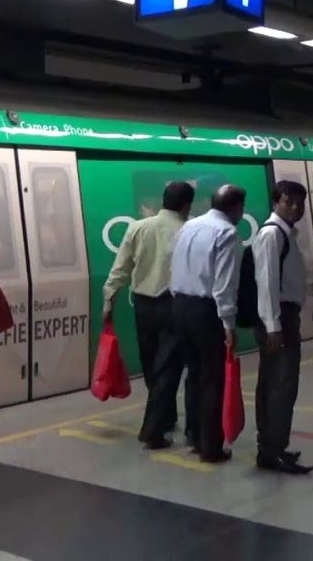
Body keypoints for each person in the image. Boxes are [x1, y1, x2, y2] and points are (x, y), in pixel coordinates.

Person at [102, 181, 194, 449]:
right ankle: (153, 430)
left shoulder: (138, 227)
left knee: (151, 364)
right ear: (186, 205)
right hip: (174, 305)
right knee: (168, 368)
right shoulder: (189, 230)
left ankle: (165, 418)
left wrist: (109, 300)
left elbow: (120, 268)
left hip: (143, 306)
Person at [169, 185, 245, 463]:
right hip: (206, 311)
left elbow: (174, 266)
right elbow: (224, 284)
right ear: (237, 207)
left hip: (180, 305)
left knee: (194, 374)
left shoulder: (189, 226)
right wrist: (228, 323)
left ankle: (194, 434)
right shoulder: (227, 233)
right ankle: (210, 446)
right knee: (213, 378)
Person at [252, 181, 313, 474]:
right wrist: (273, 325)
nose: (296, 208)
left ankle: (272, 446)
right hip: (279, 319)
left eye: (301, 203)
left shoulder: (285, 233)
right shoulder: (272, 235)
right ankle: (271, 450)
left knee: (276, 383)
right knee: (280, 385)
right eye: (289, 202)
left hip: (283, 317)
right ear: (276, 202)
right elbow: (266, 283)